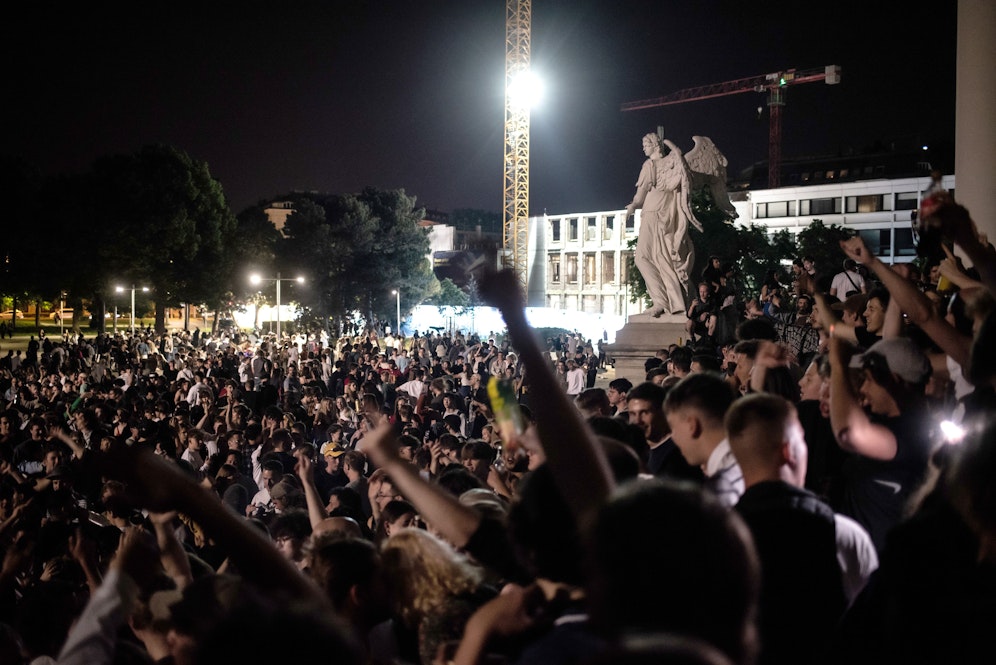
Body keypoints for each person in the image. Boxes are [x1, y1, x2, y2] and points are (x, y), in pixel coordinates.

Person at [624, 133, 701, 317]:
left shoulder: (650, 165)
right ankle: (664, 301)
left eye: (646, 144)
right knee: (660, 260)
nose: (643, 147)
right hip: (663, 217)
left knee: (647, 258)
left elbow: (640, 195)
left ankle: (662, 302)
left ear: (655, 145)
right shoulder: (670, 163)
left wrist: (633, 205)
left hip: (654, 215)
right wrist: (634, 206)